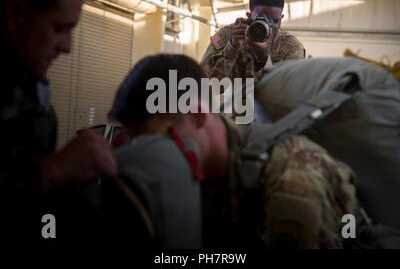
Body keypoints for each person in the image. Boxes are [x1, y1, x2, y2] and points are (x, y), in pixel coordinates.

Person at [110, 53, 356, 249]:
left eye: (160, 141)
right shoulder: (182, 176)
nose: (149, 156)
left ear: (197, 116)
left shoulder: (289, 176)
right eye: (137, 145)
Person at [0, 0, 116, 243]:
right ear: (16, 14)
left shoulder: (30, 89)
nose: (67, 47)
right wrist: (56, 169)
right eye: (59, 28)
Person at [201, 0, 305, 81]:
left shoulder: (291, 47)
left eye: (274, 21)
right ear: (249, 16)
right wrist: (231, 49)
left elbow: (291, 92)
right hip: (229, 101)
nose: (268, 26)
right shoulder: (227, 35)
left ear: (281, 18)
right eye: (261, 19)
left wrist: (263, 59)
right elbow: (202, 83)